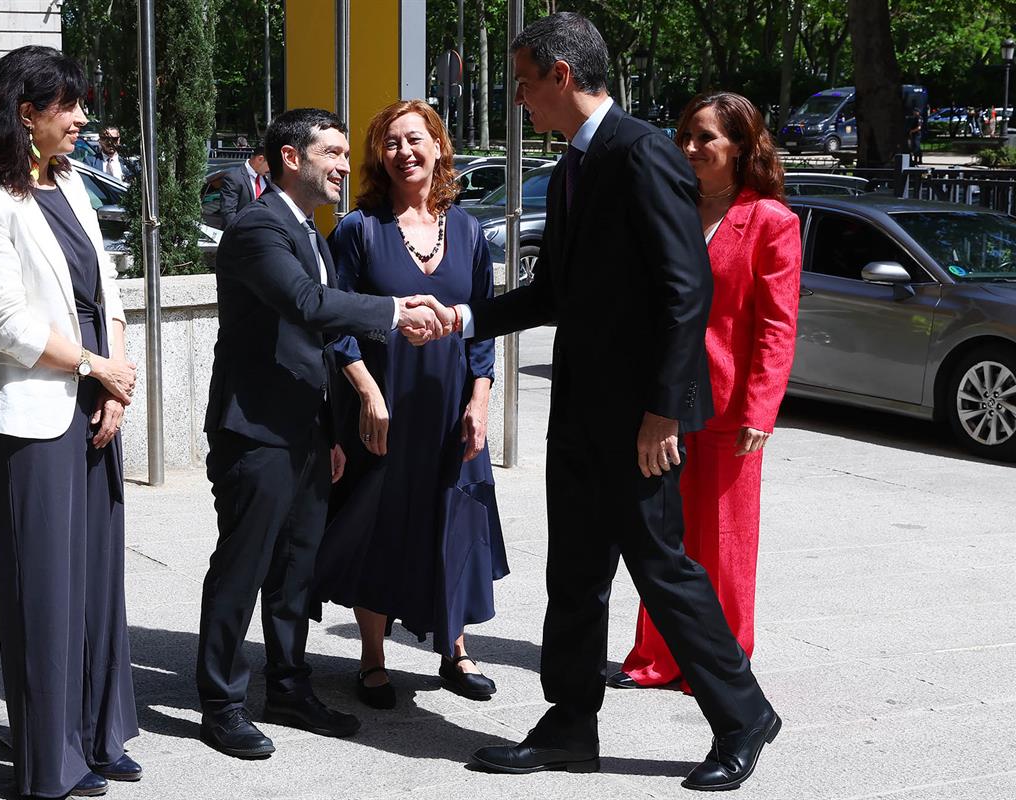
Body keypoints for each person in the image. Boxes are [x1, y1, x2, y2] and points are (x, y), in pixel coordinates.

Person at [407, 13, 780, 791]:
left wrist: (664, 411)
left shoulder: (639, 153)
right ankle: (569, 723)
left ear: (561, 76)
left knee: (661, 567)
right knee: (574, 575)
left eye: (522, 82)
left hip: (639, 420)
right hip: (581, 411)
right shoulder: (578, 161)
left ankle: (743, 716)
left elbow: (687, 290)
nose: (518, 99)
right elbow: (559, 292)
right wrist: (464, 316)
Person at [195, 107, 450, 760]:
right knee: (243, 569)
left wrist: (332, 427)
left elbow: (318, 338)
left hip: (307, 431)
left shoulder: (308, 228)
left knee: (294, 573)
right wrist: (396, 310)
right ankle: (221, 704)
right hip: (255, 433)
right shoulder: (257, 228)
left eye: (343, 153)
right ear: (290, 156)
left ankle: (286, 686)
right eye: (331, 153)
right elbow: (307, 305)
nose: (343, 164)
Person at [0, 45, 141, 798]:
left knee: (99, 582)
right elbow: (8, 322)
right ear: (25, 114)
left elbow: (108, 293)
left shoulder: (70, 183)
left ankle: (102, 734)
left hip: (98, 400)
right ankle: (51, 758)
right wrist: (95, 370)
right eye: (68, 105)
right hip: (41, 413)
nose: (81, 118)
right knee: (47, 590)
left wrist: (117, 384)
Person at [310, 100, 508, 710]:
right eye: (391, 143)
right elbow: (335, 323)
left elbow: (484, 327)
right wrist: (367, 392)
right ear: (379, 158)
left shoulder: (470, 231)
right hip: (383, 404)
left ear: (439, 147)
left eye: (415, 139)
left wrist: (480, 401)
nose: (404, 151)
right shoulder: (358, 230)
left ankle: (455, 648)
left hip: (451, 407)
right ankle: (372, 657)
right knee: (379, 524)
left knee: (453, 520)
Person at [611, 92, 801, 694]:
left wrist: (761, 409)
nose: (689, 147)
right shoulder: (671, 205)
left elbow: (776, 326)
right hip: (660, 401)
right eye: (685, 134)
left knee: (724, 542)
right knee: (662, 539)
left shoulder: (771, 221)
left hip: (728, 405)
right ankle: (656, 654)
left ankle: (719, 661)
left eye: (705, 138)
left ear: (741, 147)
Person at [219, 144, 271, 226]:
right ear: (260, 159)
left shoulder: (268, 178)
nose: (270, 169)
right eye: (270, 165)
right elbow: (228, 213)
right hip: (241, 233)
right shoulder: (234, 178)